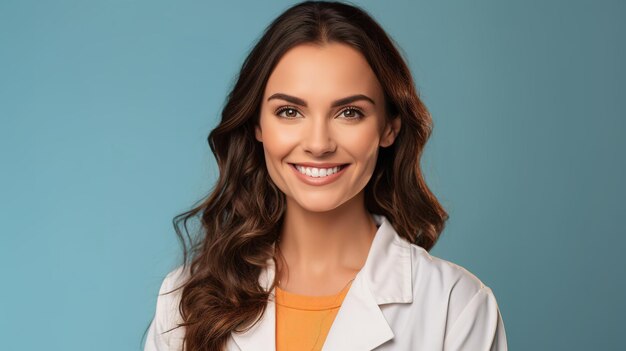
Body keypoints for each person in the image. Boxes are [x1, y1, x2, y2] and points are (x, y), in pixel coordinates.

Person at [144, 1, 508, 350]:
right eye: (289, 112)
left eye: (349, 112)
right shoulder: (184, 297)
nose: (318, 144)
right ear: (257, 124)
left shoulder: (456, 307)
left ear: (388, 128)